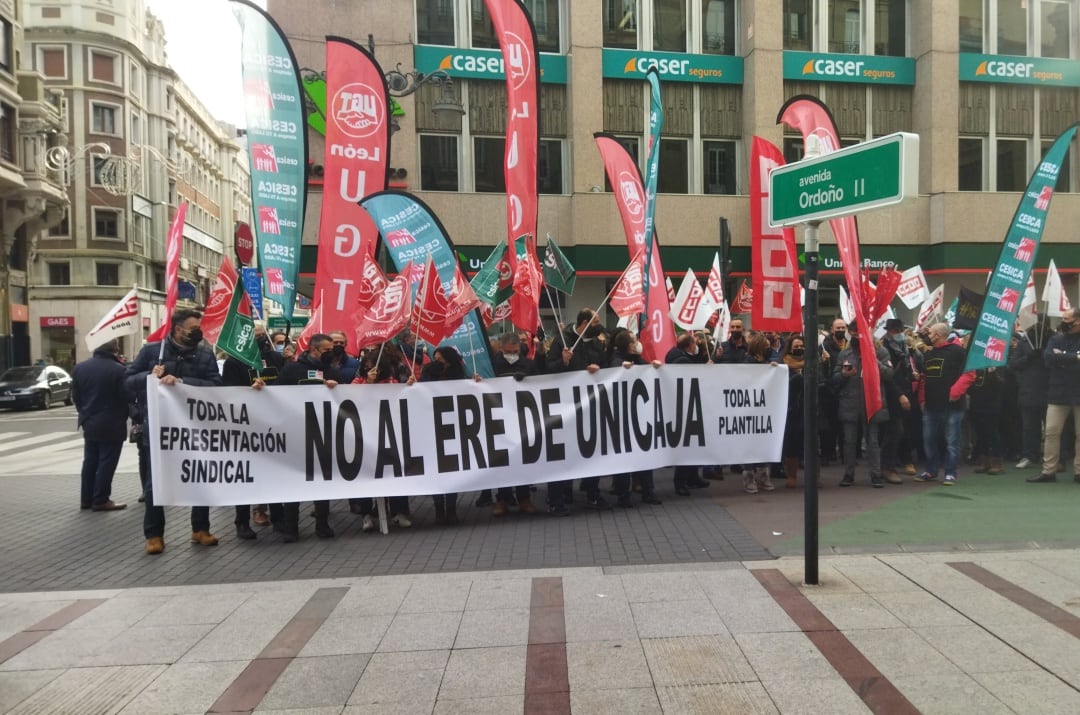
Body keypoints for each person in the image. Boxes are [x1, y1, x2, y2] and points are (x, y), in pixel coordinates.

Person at [127, 309, 222, 554]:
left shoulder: (204, 353)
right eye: (193, 328)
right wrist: (149, 376)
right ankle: (154, 534)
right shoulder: (151, 352)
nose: (197, 332)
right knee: (154, 484)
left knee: (200, 478)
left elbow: (215, 385)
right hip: (159, 428)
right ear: (178, 329)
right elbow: (127, 382)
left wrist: (183, 383)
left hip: (195, 427)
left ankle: (200, 528)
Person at [220, 323, 285, 539]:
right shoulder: (234, 362)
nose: (261, 339)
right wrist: (249, 391)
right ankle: (242, 522)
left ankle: (278, 518)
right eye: (255, 336)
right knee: (245, 476)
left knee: (275, 475)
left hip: (274, 425)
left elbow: (287, 386)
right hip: (246, 427)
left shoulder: (276, 359)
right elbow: (227, 393)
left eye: (262, 335)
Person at [275, 333, 340, 541]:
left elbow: (349, 391)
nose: (330, 354)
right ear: (313, 349)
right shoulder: (293, 369)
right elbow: (275, 393)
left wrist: (336, 386)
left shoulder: (330, 369)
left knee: (321, 481)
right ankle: (291, 528)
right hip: (296, 432)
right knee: (294, 483)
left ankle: (322, 525)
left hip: (322, 432)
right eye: (326, 350)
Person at [545, 308, 608, 514]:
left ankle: (592, 493)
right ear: (583, 322)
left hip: (589, 404)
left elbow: (606, 366)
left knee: (592, 449)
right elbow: (547, 369)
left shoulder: (598, 342)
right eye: (595, 320)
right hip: (564, 405)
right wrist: (563, 361)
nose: (599, 324)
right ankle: (558, 498)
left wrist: (599, 367)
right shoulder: (562, 340)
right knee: (563, 451)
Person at [351, 343, 415, 530]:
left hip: (389, 435)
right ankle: (366, 514)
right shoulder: (357, 383)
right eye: (367, 366)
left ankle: (399, 512)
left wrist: (409, 387)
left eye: (375, 366)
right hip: (365, 436)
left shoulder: (391, 383)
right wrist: (368, 384)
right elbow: (352, 400)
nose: (371, 369)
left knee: (394, 475)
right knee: (366, 476)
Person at [832, 321, 893, 488]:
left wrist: (874, 361)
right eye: (854, 331)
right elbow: (835, 378)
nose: (858, 335)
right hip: (850, 403)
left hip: (871, 402)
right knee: (849, 441)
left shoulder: (880, 351)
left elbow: (889, 374)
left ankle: (876, 474)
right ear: (850, 332)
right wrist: (843, 375)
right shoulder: (845, 353)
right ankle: (848, 474)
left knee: (872, 441)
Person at [72, 339, 129, 511]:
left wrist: (85, 412)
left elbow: (76, 396)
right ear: (115, 350)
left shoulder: (80, 368)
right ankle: (101, 499)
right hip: (112, 422)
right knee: (106, 462)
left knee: (90, 461)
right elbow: (125, 396)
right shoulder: (119, 370)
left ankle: (86, 499)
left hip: (89, 421)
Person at [420, 346, 475, 524]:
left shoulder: (459, 377)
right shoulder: (428, 374)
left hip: (454, 429)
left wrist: (475, 383)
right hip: (431, 428)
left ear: (450, 361)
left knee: (451, 470)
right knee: (436, 470)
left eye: (440, 359)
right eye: (435, 359)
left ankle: (451, 509)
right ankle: (438, 509)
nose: (437, 362)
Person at [915, 322, 973, 486]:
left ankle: (950, 473)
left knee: (952, 441)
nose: (928, 335)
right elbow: (925, 378)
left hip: (952, 407)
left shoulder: (958, 352)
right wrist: (921, 399)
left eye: (930, 332)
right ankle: (931, 470)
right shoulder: (929, 354)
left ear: (939, 335)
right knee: (929, 440)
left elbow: (969, 374)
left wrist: (954, 393)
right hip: (931, 406)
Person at [609, 330, 662, 506]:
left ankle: (648, 491)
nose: (637, 343)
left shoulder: (635, 358)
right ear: (630, 345)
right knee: (624, 457)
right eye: (634, 341)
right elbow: (613, 366)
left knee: (645, 454)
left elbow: (644, 365)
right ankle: (623, 495)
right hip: (622, 417)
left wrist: (652, 365)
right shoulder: (616, 359)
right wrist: (621, 367)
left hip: (638, 415)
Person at [488, 332, 539, 515]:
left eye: (515, 351)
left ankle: (524, 498)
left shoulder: (528, 364)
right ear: (501, 349)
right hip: (500, 418)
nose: (512, 354)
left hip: (522, 418)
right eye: (508, 351)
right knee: (503, 460)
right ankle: (502, 499)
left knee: (523, 459)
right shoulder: (492, 364)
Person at [1028, 308, 1080, 483]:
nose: (1064, 321)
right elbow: (1048, 359)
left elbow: (1056, 359)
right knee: (1051, 432)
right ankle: (1048, 471)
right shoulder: (1056, 339)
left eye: (1067, 319)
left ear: (1078, 321)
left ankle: (1079, 471)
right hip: (1058, 392)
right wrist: (1075, 358)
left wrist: (1063, 357)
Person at [665, 332, 711, 496]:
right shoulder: (682, 360)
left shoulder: (678, 356)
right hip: (685, 407)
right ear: (690, 345)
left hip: (688, 406)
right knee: (687, 446)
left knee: (694, 445)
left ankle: (692, 477)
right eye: (695, 343)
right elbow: (693, 373)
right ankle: (681, 482)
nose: (696, 345)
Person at [1008, 322, 1048, 470]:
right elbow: (1013, 364)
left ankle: (1053, 457)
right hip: (1028, 390)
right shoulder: (1025, 342)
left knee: (1051, 429)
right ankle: (1030, 455)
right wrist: (1029, 357)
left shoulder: (1053, 340)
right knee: (1029, 427)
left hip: (1049, 390)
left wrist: (1044, 355)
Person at [742, 332, 779, 493]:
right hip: (749, 410)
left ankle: (763, 475)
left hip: (764, 410)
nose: (769, 350)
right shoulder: (746, 363)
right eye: (766, 347)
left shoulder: (768, 363)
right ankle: (749, 476)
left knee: (763, 441)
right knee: (749, 443)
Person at [880, 319, 914, 483]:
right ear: (892, 331)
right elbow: (889, 377)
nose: (901, 334)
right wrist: (900, 394)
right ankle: (888, 467)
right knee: (894, 431)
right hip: (892, 395)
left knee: (902, 430)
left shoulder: (904, 348)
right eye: (899, 331)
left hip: (904, 391)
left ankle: (898, 462)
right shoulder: (885, 349)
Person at [819, 317, 849, 465]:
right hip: (830, 391)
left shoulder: (848, 346)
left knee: (844, 425)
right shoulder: (825, 347)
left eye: (843, 328)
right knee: (828, 426)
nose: (841, 330)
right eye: (838, 328)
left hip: (846, 390)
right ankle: (827, 453)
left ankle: (846, 456)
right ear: (832, 329)